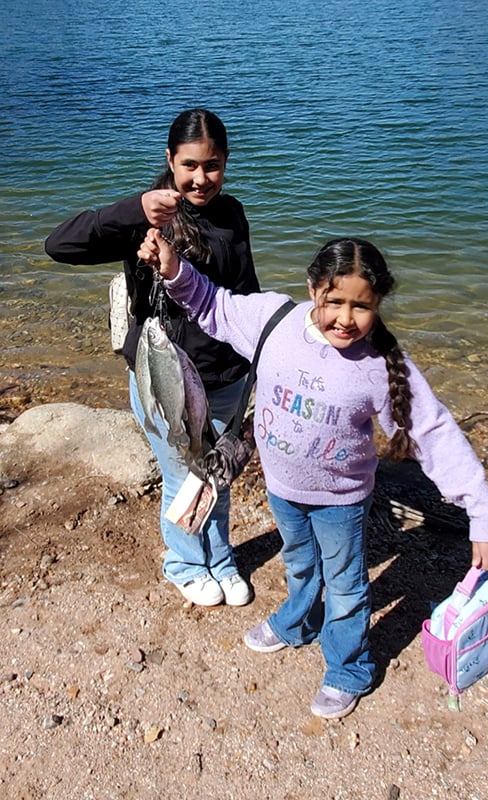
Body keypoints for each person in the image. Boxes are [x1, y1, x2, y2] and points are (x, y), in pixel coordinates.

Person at [138, 231, 488, 719]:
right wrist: (172, 269)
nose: (345, 318)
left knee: (346, 586)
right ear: (313, 288)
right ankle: (299, 620)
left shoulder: (379, 363)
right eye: (334, 301)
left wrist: (484, 515)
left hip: (342, 501)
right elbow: (213, 304)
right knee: (299, 562)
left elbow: (434, 433)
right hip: (282, 489)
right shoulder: (274, 320)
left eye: (362, 306)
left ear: (378, 303)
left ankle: (349, 668)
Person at [45, 108, 260, 608]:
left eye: (212, 166)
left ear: (226, 163)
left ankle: (220, 558)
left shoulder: (232, 214)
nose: (201, 178)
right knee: (183, 472)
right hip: (165, 377)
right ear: (170, 160)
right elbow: (59, 244)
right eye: (189, 165)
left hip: (226, 376)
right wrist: (136, 209)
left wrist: (261, 356)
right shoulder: (146, 217)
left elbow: (245, 293)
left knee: (217, 473)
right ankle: (185, 563)